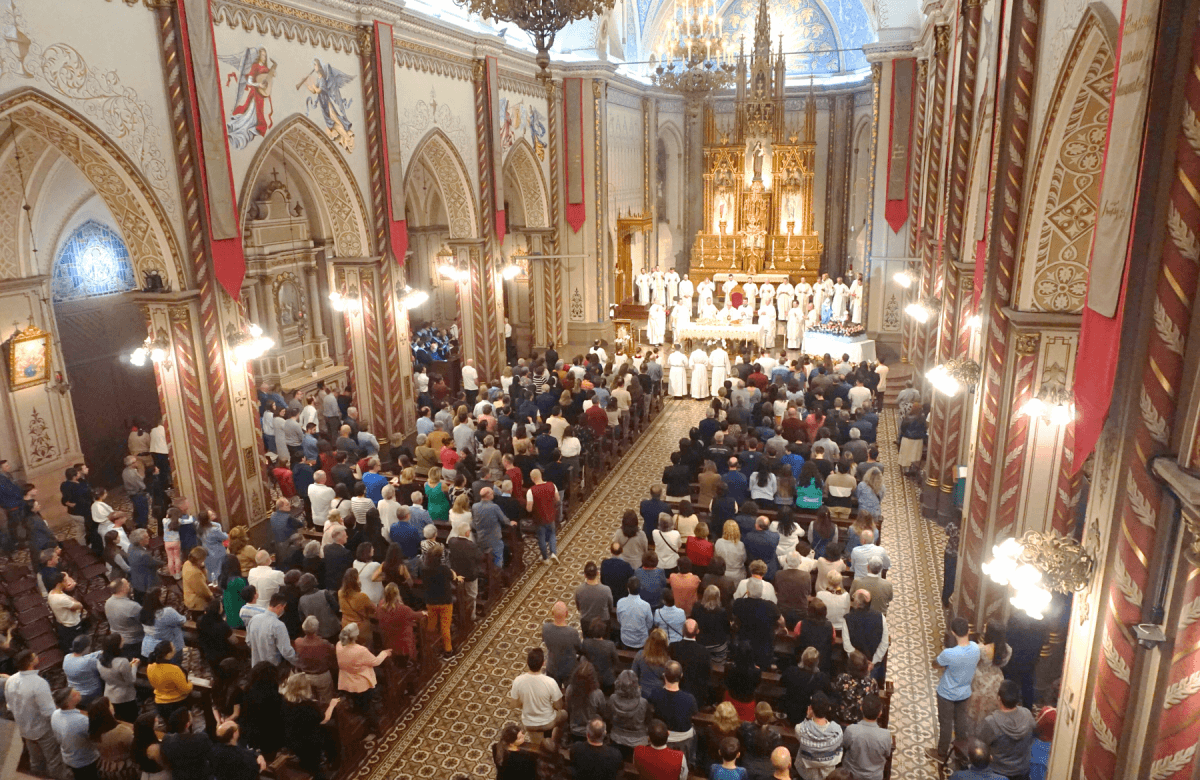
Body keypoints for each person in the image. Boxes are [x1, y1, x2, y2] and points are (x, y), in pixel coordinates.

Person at [7, 649, 71, 780]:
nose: (37, 656)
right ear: (30, 662)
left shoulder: (10, 680)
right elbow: (49, 713)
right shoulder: (38, 683)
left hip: (24, 729)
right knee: (54, 760)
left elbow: (10, 706)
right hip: (43, 729)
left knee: (35, 760)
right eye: (34, 656)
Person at [928, 616, 981, 766]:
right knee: (961, 723)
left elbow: (935, 664)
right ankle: (961, 753)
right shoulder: (976, 649)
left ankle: (941, 753)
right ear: (968, 630)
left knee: (945, 723)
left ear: (953, 632)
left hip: (947, 693)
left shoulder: (950, 654)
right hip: (964, 692)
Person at [281, 674, 340, 780]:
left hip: (292, 740)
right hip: (309, 742)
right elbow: (324, 720)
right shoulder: (307, 705)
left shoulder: (285, 701)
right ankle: (333, 764)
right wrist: (331, 705)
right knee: (331, 731)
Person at [336, 622, 391, 735]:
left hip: (347, 682)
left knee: (358, 704)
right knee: (368, 706)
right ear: (356, 636)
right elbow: (375, 662)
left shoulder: (338, 645)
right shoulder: (360, 650)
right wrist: (384, 653)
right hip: (361, 683)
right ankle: (376, 728)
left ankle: (363, 728)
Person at [976, 680, 1036, 780]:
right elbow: (1033, 732)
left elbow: (980, 747)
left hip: (997, 773)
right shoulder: (1027, 714)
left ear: (999, 698)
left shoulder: (991, 722)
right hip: (1023, 772)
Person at [509, 648, 563, 743]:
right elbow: (559, 706)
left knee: (536, 742)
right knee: (564, 714)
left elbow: (513, 705)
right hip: (548, 722)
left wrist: (524, 703)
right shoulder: (550, 682)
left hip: (529, 724)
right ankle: (557, 738)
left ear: (527, 663)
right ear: (543, 663)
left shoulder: (518, 681)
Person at [51, 687, 100, 780]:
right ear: (69, 702)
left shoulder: (55, 714)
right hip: (85, 760)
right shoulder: (81, 721)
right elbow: (95, 740)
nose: (79, 692)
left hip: (67, 756)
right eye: (75, 694)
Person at [793, 692, 843, 780]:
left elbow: (800, 731)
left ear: (810, 709)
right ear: (828, 709)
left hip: (806, 774)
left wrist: (808, 718)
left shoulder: (800, 729)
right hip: (828, 775)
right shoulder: (837, 731)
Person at [87, 696, 135, 780]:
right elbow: (135, 746)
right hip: (124, 769)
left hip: (105, 767)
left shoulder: (93, 732)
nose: (112, 705)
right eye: (110, 705)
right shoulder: (122, 732)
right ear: (107, 710)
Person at [146, 641, 191, 725]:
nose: (175, 648)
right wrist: (190, 683)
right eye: (173, 647)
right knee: (182, 727)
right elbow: (186, 689)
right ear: (168, 654)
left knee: (169, 726)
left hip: (160, 704)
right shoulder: (174, 669)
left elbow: (153, 684)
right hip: (176, 703)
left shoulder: (150, 666)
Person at [159, 708, 212, 780]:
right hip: (201, 776)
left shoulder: (166, 741)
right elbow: (211, 757)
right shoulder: (201, 738)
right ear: (187, 724)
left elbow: (166, 762)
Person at [96, 634, 139, 722]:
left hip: (109, 693)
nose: (123, 640)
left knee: (117, 720)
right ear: (117, 645)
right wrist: (134, 666)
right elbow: (131, 681)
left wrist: (128, 666)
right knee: (130, 720)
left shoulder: (100, 658)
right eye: (121, 640)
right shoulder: (122, 662)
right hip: (124, 696)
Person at [103, 579, 143, 658]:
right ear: (123, 589)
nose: (129, 586)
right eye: (128, 584)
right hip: (134, 642)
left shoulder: (108, 601)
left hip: (116, 640)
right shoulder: (132, 606)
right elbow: (147, 621)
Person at [62, 635, 103, 709]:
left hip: (73, 692)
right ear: (87, 648)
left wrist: (100, 652)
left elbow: (86, 658)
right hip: (90, 693)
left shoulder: (67, 657)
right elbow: (102, 668)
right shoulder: (88, 661)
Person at [181, 546, 212, 615]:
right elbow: (203, 591)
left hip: (188, 596)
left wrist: (202, 567)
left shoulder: (187, 563)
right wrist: (212, 597)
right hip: (197, 604)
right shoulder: (195, 572)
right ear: (200, 559)